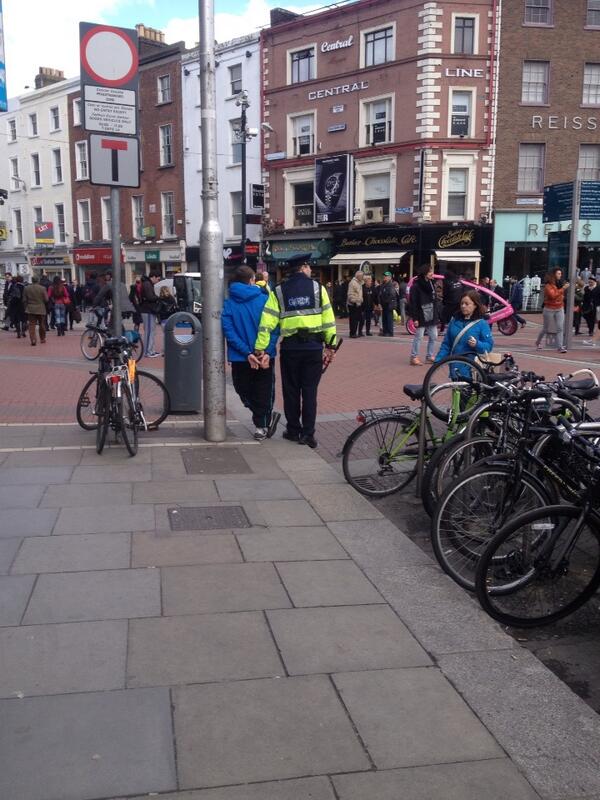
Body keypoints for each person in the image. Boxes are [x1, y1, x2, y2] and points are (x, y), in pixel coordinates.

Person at [254, 256, 337, 448]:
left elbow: (267, 323)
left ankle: (293, 430)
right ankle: (308, 434)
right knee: (309, 392)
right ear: (304, 267)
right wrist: (331, 347)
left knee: (291, 391)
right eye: (309, 267)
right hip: (313, 348)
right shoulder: (318, 289)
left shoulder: (278, 291)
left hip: (290, 348)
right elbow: (329, 321)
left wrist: (260, 348)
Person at [222, 266, 280, 441]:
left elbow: (229, 331)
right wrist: (266, 351)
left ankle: (262, 420)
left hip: (241, 356)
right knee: (264, 389)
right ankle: (262, 422)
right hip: (263, 356)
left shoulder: (228, 303)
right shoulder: (266, 299)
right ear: (251, 280)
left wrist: (246, 353)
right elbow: (275, 327)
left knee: (243, 389)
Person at [436, 289, 494, 364]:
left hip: (474, 369)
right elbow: (446, 344)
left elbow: (488, 346)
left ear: (475, 305)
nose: (463, 306)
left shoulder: (482, 324)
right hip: (455, 367)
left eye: (467, 304)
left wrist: (477, 344)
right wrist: (437, 362)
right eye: (462, 303)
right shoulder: (454, 321)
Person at [408, 264, 440, 365]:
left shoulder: (431, 283)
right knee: (419, 336)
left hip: (431, 312)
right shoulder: (416, 287)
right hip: (421, 314)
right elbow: (413, 303)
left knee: (434, 335)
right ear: (425, 273)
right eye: (430, 271)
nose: (432, 274)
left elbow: (434, 298)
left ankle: (429, 356)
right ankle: (414, 357)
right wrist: (415, 318)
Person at [535, 271, 568, 353]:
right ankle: (538, 342)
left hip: (559, 308)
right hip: (549, 308)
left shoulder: (560, 283)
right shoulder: (548, 286)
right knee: (545, 328)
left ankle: (560, 346)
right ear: (553, 275)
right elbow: (553, 295)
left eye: (561, 273)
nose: (560, 275)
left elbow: (561, 294)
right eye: (558, 273)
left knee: (560, 327)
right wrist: (563, 288)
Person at [139, 273, 161, 357]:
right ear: (154, 277)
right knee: (149, 331)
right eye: (158, 279)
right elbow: (150, 297)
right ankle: (148, 351)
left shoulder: (147, 283)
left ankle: (151, 350)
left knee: (151, 331)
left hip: (148, 310)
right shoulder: (147, 284)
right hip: (147, 310)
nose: (158, 281)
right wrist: (158, 298)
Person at [23, 275, 48, 346]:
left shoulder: (26, 288)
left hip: (30, 308)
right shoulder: (42, 288)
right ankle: (42, 338)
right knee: (42, 324)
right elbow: (46, 299)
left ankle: (33, 339)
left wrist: (26, 307)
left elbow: (24, 300)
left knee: (31, 325)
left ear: (32, 280)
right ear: (38, 280)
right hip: (40, 308)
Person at [377, 271, 397, 336]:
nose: (384, 277)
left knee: (389, 319)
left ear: (389, 277)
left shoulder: (391, 285)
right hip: (384, 305)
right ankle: (385, 331)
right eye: (384, 276)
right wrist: (380, 303)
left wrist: (385, 302)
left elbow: (391, 295)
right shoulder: (383, 285)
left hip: (389, 305)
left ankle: (390, 332)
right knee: (384, 318)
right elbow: (380, 294)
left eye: (386, 276)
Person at [347, 270, 364, 338]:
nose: (362, 277)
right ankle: (352, 333)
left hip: (358, 303)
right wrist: (355, 300)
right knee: (353, 319)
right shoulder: (353, 283)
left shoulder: (359, 282)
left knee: (357, 319)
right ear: (358, 276)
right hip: (353, 304)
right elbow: (350, 294)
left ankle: (355, 332)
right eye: (361, 276)